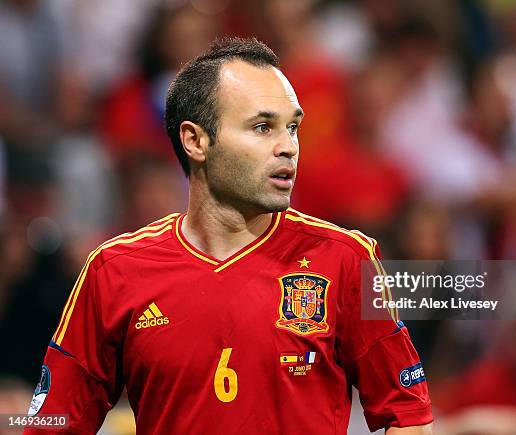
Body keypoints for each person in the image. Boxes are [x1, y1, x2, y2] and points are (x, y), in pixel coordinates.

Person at [24, 37, 433, 434]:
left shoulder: (346, 259)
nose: (288, 147)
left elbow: (408, 415)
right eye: (262, 127)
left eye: (292, 128)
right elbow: (52, 423)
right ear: (195, 140)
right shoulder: (113, 271)